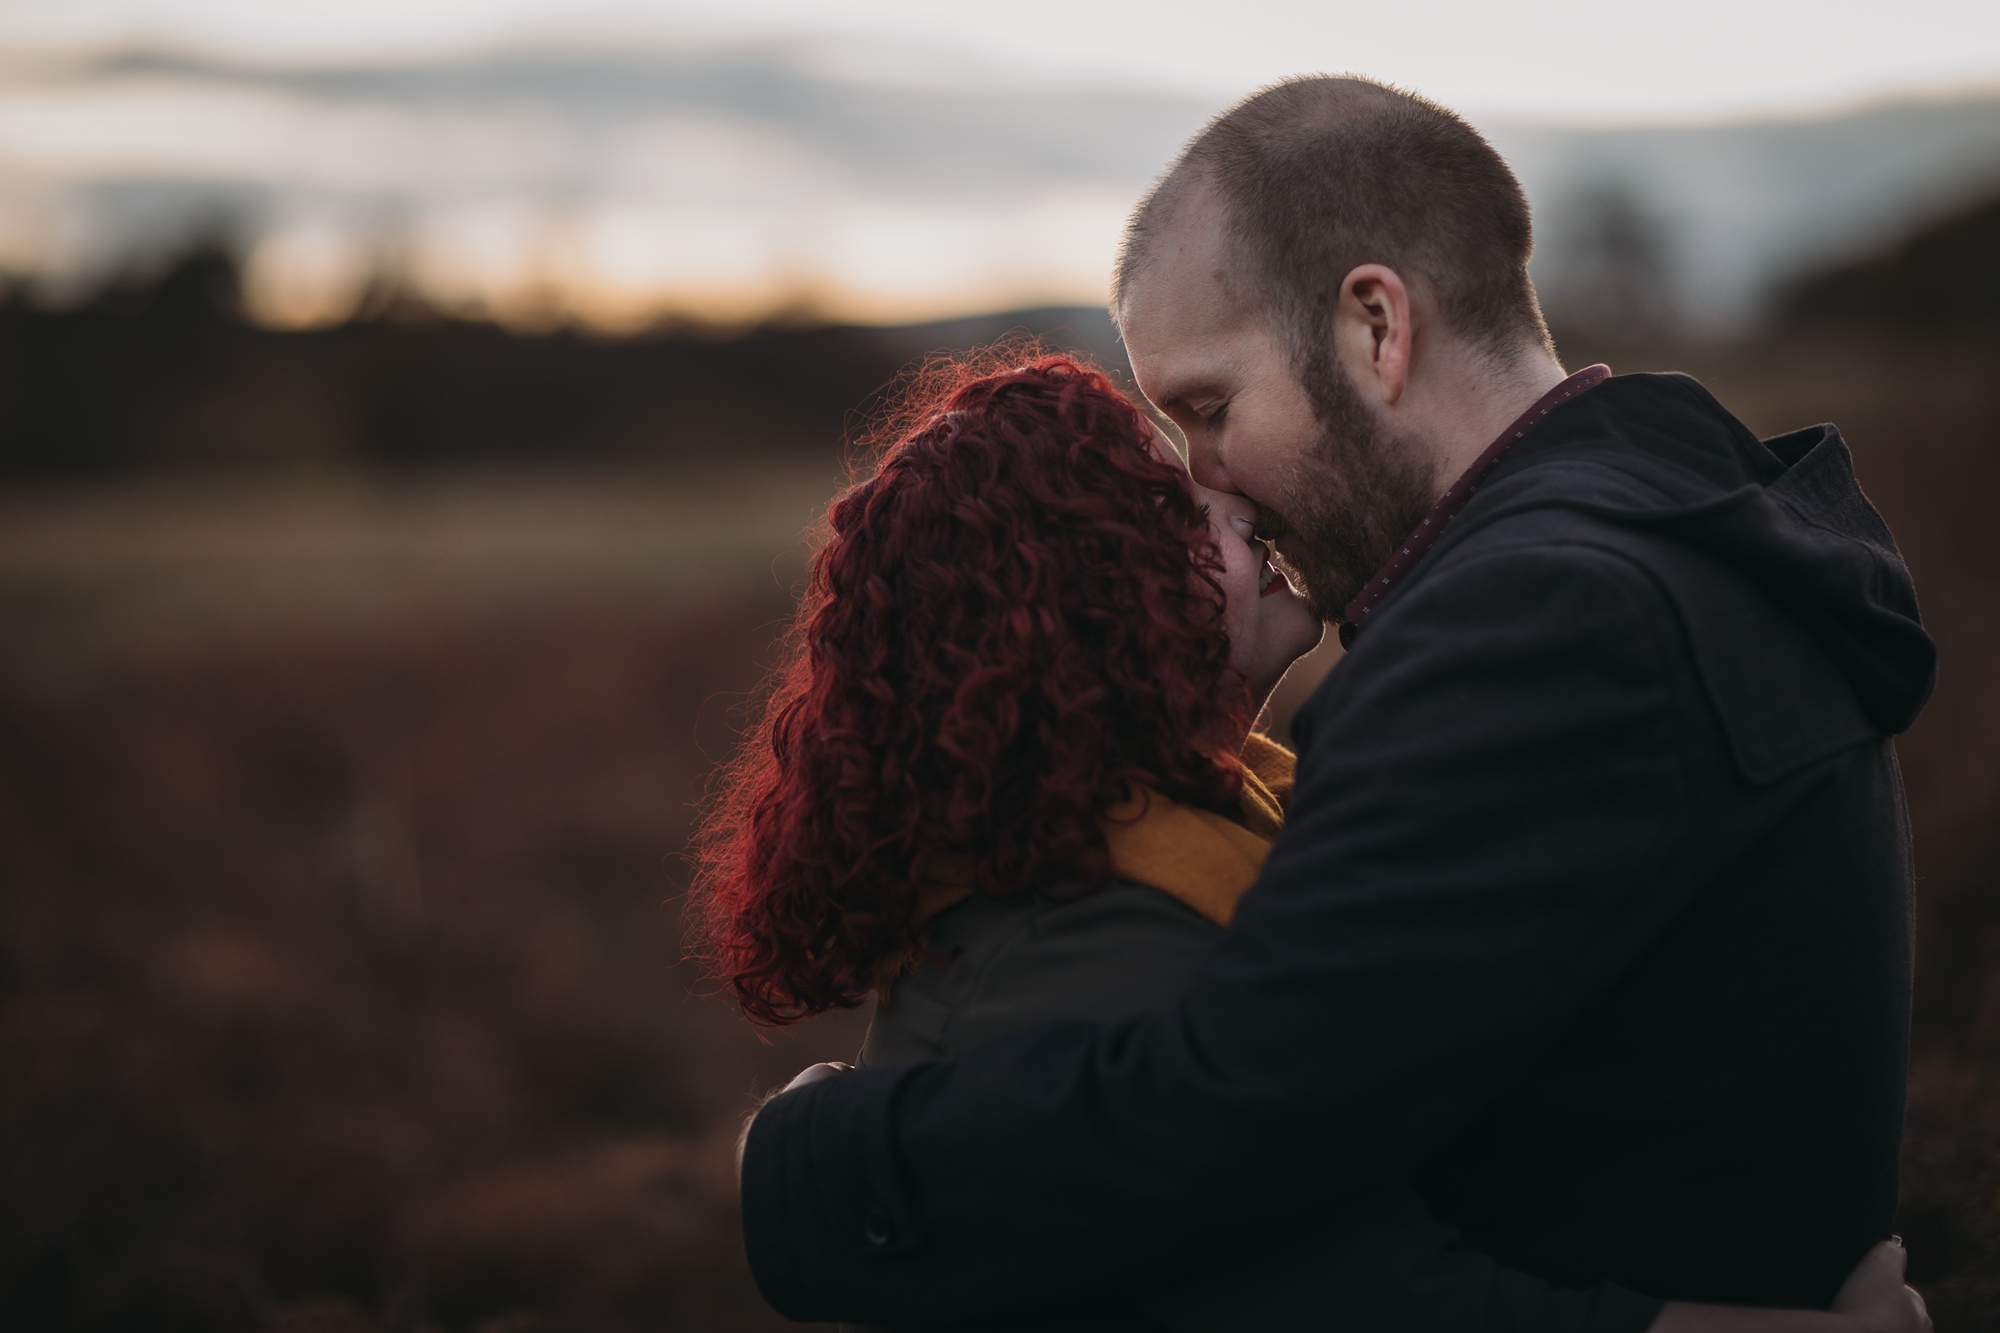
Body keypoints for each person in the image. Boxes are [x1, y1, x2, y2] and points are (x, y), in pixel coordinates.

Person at [731, 75, 1941, 1327]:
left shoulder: (1533, 621)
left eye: (1209, 407)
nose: (1209, 482)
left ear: (1374, 326)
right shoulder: (1673, 530)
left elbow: (1231, 1112)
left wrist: (823, 1167)